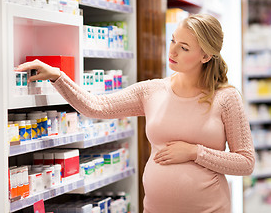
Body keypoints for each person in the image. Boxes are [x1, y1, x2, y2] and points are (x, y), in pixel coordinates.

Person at [17, 14, 255, 213]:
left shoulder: (226, 97)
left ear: (205, 56)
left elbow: (246, 163)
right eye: (173, 41)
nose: (173, 50)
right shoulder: (152, 90)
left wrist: (195, 152)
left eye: (184, 48)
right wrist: (58, 76)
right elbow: (96, 106)